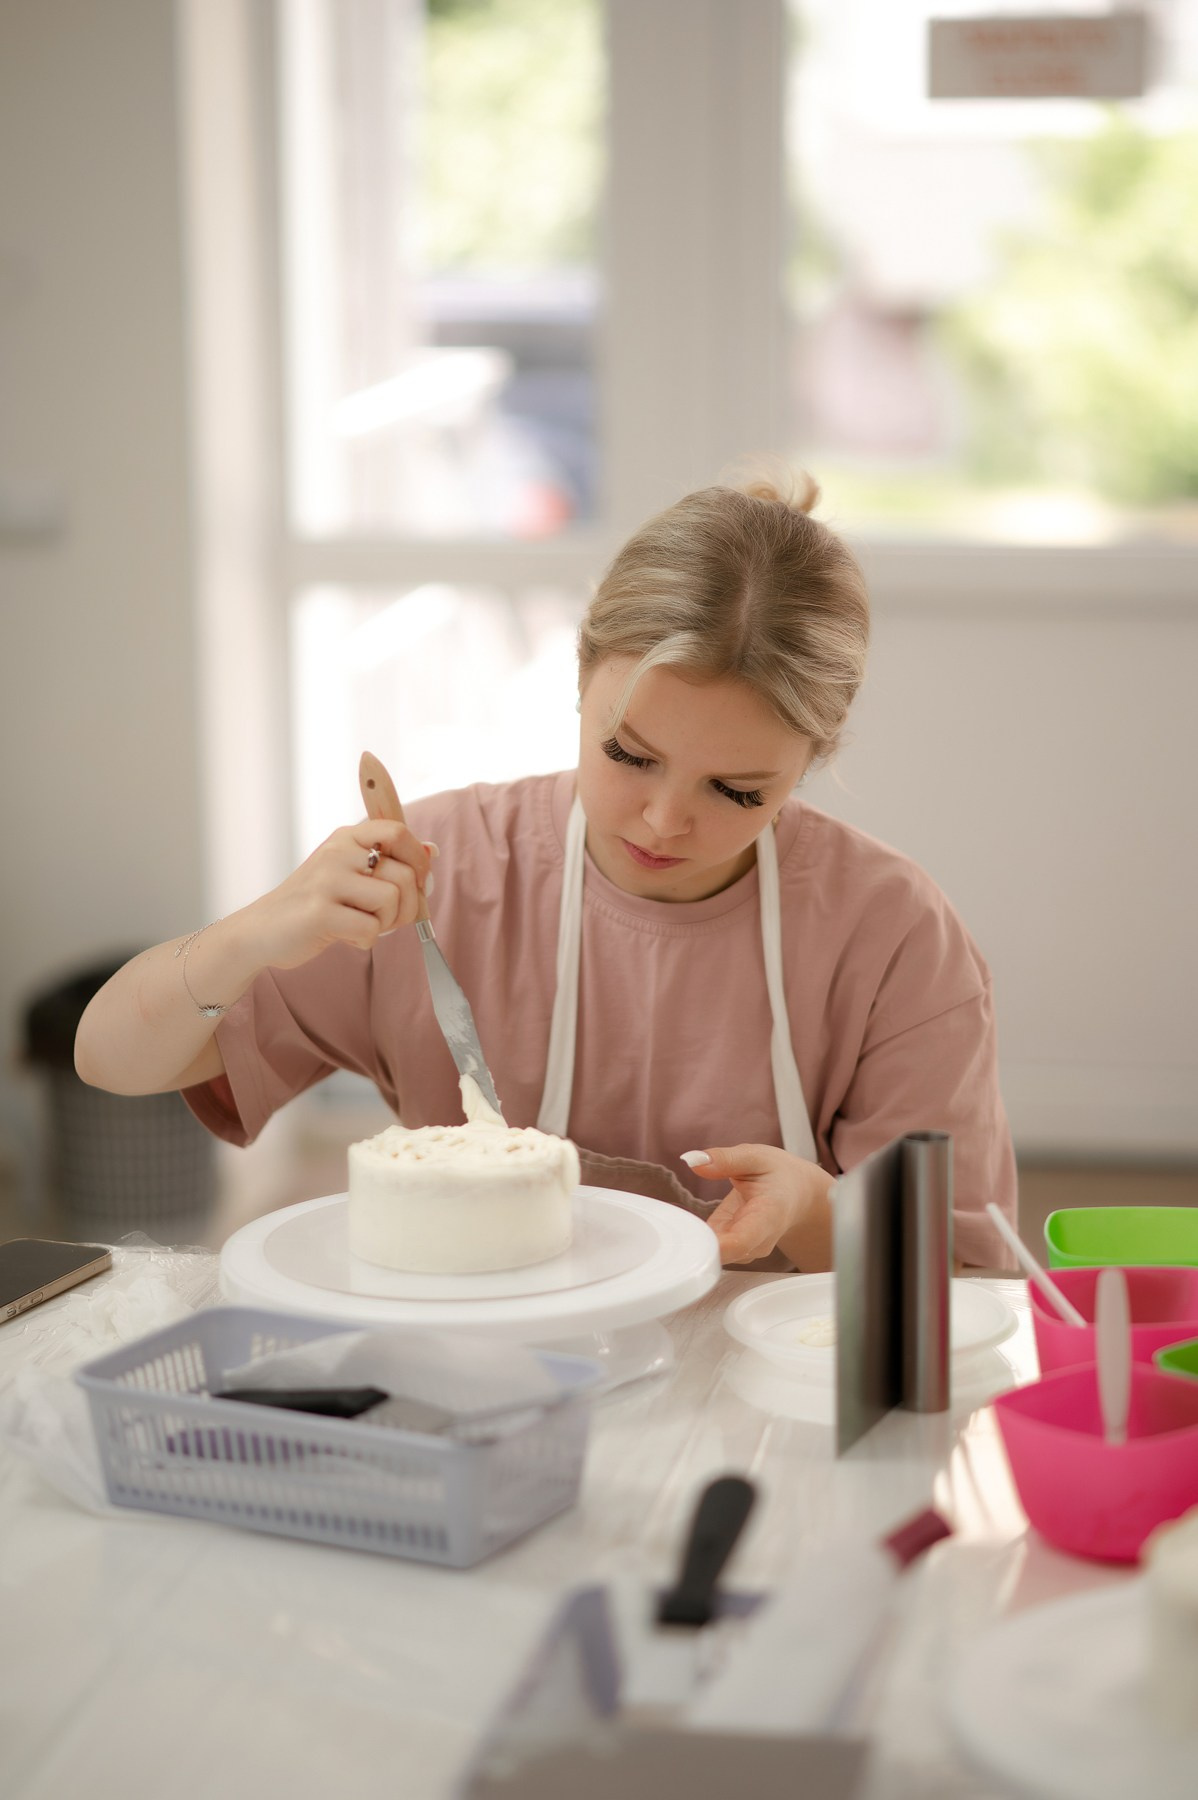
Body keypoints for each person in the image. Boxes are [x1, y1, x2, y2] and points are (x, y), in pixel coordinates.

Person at [75, 468, 1016, 1270]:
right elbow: (108, 1059)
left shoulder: (891, 934)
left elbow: (965, 1272)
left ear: (813, 757)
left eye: (735, 791)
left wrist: (814, 1212)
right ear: (579, 678)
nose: (664, 819)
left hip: (763, 1381)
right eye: (630, 755)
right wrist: (255, 933)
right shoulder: (440, 872)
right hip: (481, 1364)